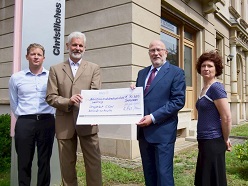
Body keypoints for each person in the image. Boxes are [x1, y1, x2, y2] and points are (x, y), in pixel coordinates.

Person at [46, 31, 102, 186]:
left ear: (85, 48)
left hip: (88, 122)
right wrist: (68, 101)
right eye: (74, 45)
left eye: (80, 45)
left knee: (94, 163)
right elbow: (50, 96)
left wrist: (94, 114)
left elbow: (96, 95)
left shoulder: (94, 68)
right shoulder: (55, 69)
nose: (77, 48)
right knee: (67, 165)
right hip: (64, 124)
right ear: (67, 46)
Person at [131, 40, 186, 186]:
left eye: (159, 50)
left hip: (163, 132)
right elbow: (141, 98)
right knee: (149, 173)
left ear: (166, 52)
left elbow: (178, 101)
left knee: (164, 174)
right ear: (149, 53)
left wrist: (153, 117)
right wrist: (131, 93)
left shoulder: (176, 72)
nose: (156, 53)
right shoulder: (142, 73)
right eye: (152, 50)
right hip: (143, 132)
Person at [9, 43, 55, 186]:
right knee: (24, 161)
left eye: (39, 54)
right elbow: (13, 102)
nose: (36, 57)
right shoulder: (16, 78)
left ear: (44, 58)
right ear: (27, 56)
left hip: (46, 121)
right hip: (24, 122)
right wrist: (23, 117)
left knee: (44, 161)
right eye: (33, 54)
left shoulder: (51, 77)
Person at [194, 51, 232, 186]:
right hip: (204, 140)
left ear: (216, 69)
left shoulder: (216, 88)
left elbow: (226, 117)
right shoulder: (205, 88)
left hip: (214, 140)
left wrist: (226, 139)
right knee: (205, 178)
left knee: (214, 179)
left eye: (210, 66)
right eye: (203, 65)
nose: (206, 68)